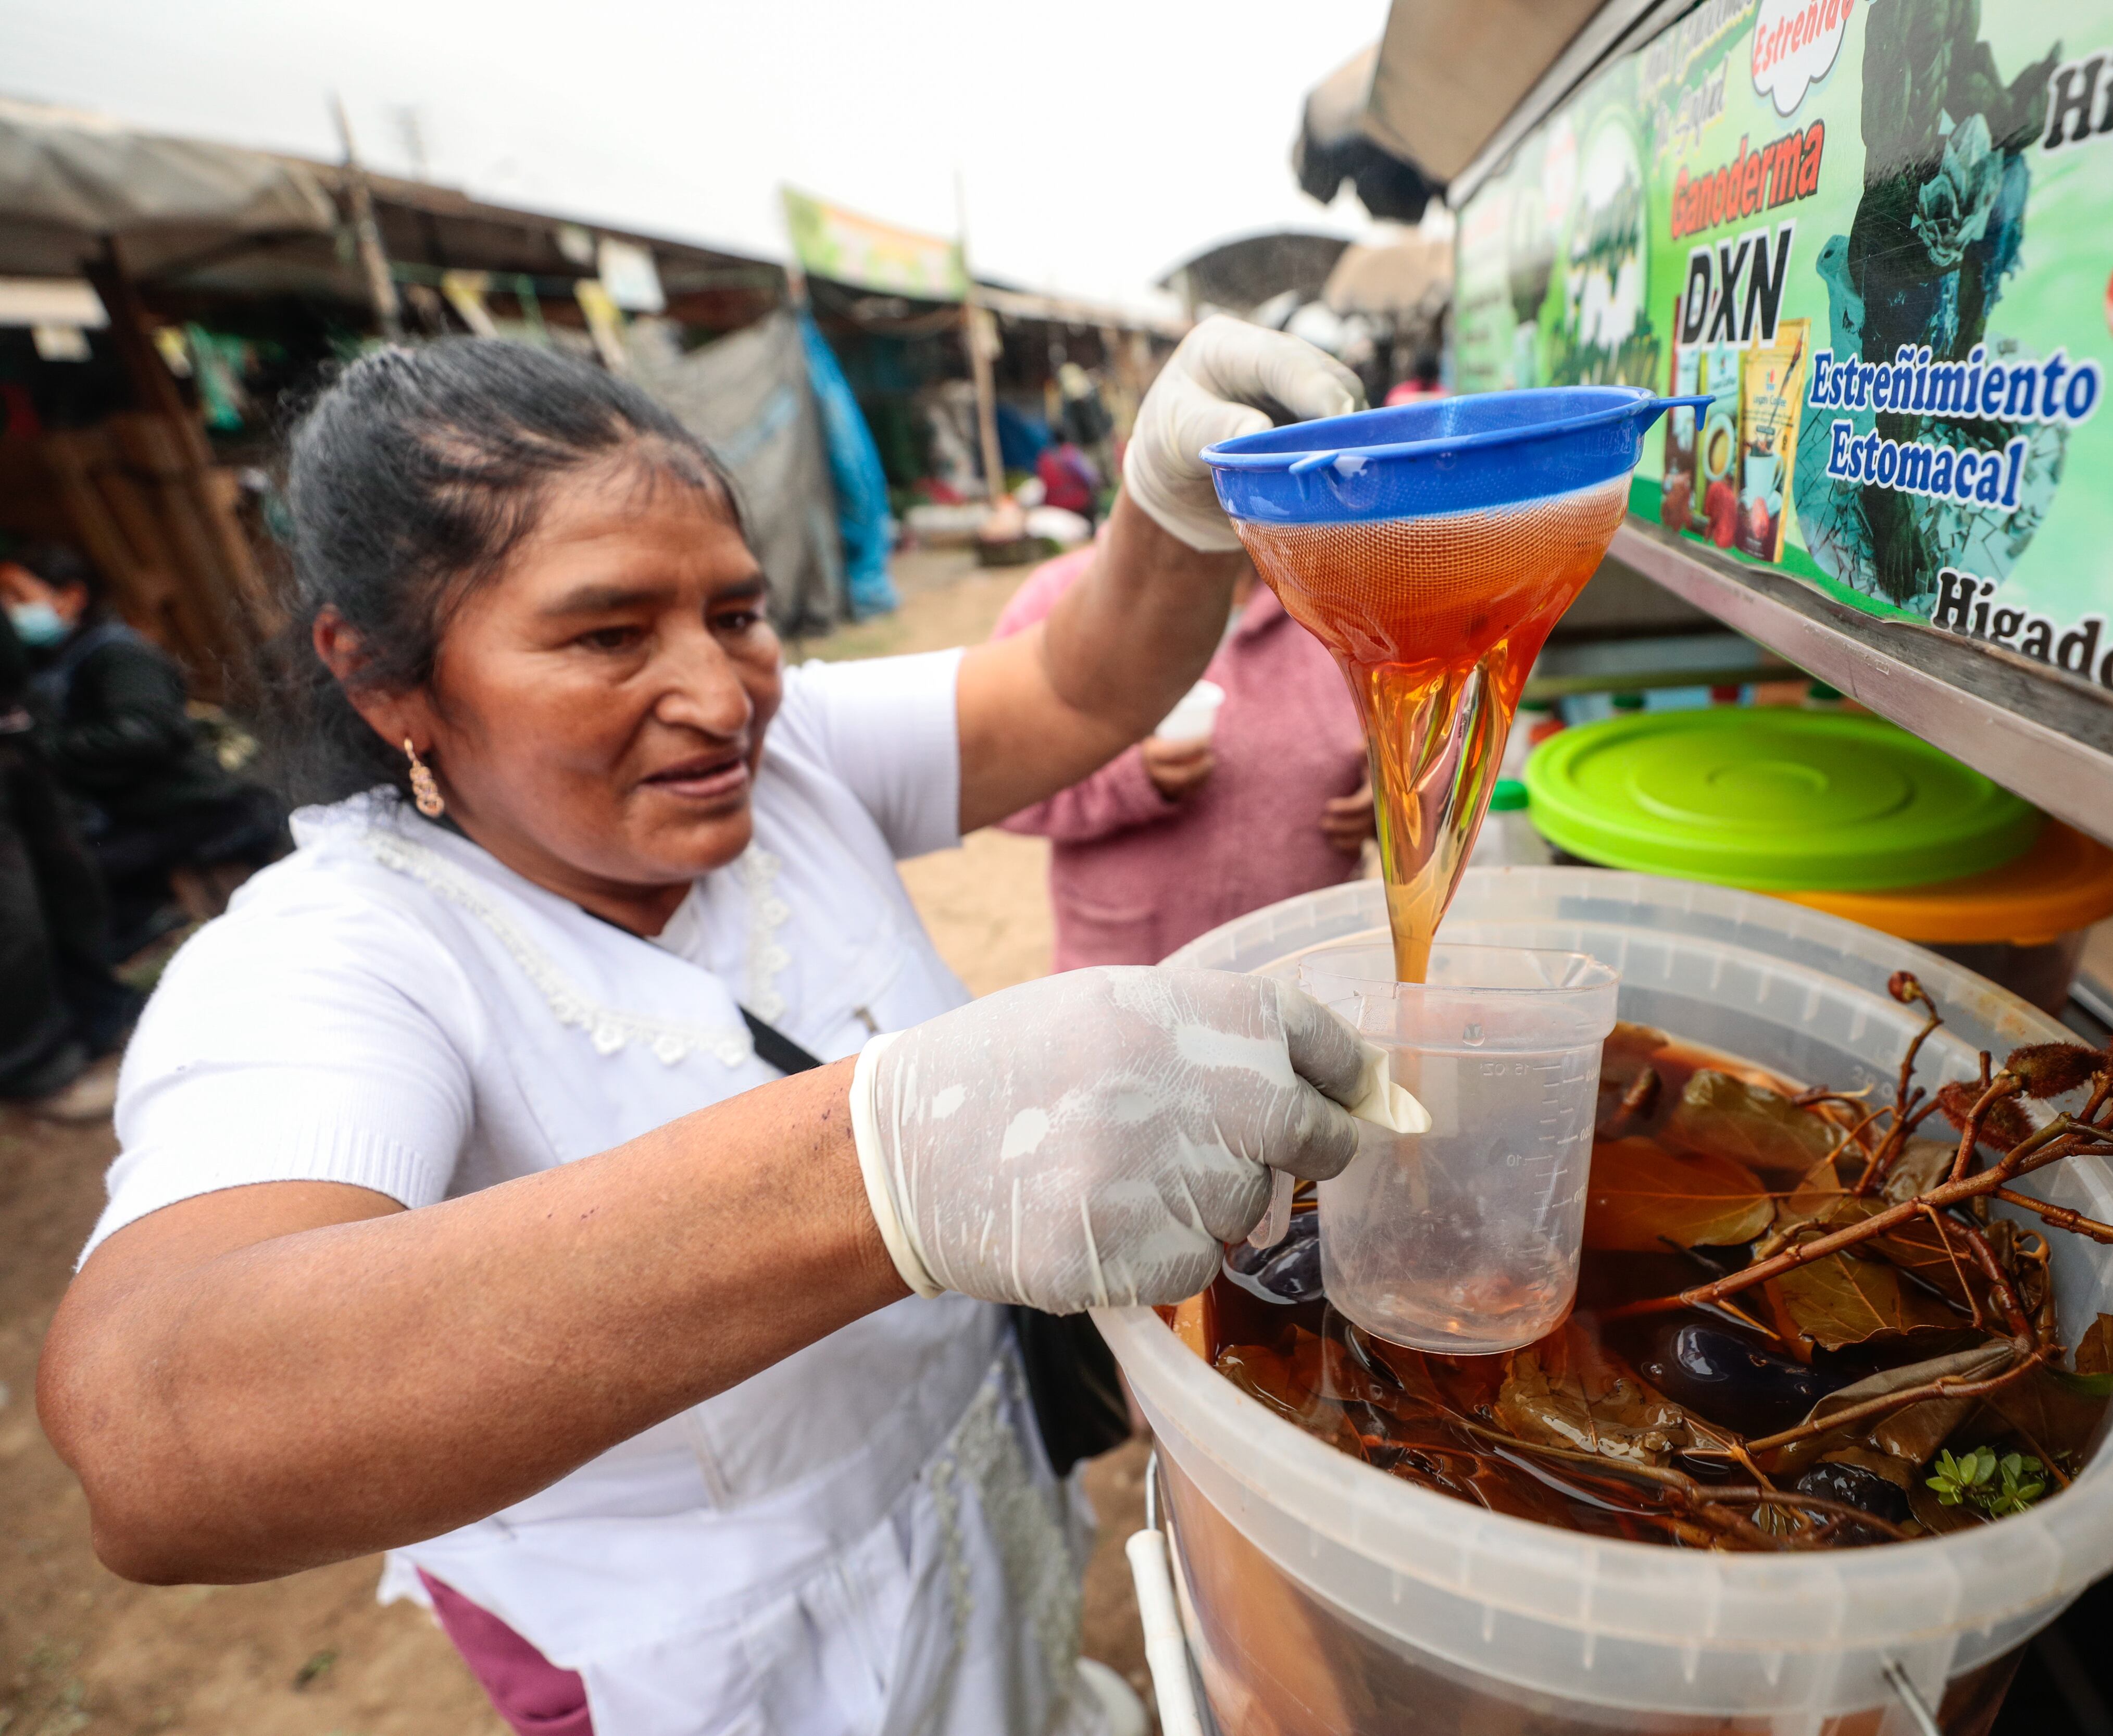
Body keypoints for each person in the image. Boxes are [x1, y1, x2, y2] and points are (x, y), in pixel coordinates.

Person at [36, 322, 1372, 1736]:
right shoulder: (339, 953)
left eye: (737, 614)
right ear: (384, 678)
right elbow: (156, 1429)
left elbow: (1077, 684)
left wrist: (1164, 514)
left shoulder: (787, 765)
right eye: (609, 632)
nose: (718, 695)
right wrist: (884, 1167)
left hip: (965, 1492)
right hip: (702, 1659)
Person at [991, 546, 1373, 969]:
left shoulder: (1347, 600)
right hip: (1128, 979)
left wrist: (1396, 794)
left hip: (1302, 969)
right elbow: (996, 779)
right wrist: (1128, 778)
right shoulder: (1061, 596)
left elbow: (1435, 752)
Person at [1, 542, 286, 946]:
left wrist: (40, 751)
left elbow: (145, 733)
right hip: (123, 819)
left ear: (70, 596)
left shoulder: (116, 654)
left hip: (185, 814)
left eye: (18, 596)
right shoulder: (49, 662)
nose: (9, 610)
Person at [0, 609, 140, 1120]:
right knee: (13, 919)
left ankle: (102, 1015)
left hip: (13, 729)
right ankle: (40, 1067)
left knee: (69, 883)